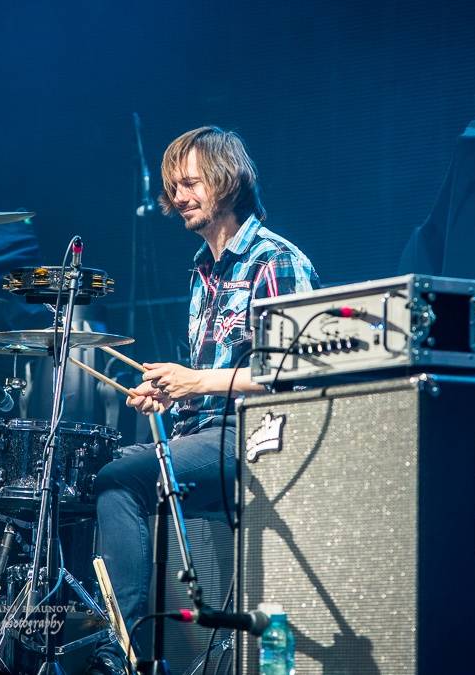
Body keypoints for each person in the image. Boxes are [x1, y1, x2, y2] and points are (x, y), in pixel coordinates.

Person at [87, 126, 319, 674]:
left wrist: (197, 381)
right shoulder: (201, 272)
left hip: (259, 437)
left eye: (189, 182)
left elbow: (299, 372)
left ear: (227, 180)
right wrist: (169, 392)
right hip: (206, 434)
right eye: (172, 186)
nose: (177, 196)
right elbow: (211, 375)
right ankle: (130, 642)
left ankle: (128, 657)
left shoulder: (275, 262)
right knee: (110, 471)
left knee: (118, 481)